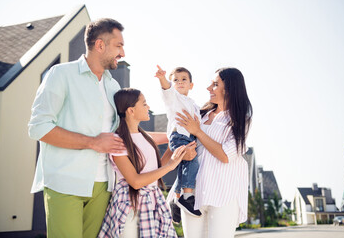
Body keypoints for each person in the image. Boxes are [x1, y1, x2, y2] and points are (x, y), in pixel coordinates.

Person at [28, 18, 126, 238]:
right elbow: (38, 128)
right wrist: (92, 142)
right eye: (119, 46)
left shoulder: (114, 85)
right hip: (64, 182)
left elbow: (122, 133)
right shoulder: (60, 74)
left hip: (104, 186)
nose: (123, 53)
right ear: (100, 45)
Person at [175, 67, 253, 237]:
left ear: (230, 89)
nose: (209, 88)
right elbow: (175, 136)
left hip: (224, 194)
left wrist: (198, 132)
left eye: (215, 84)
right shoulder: (200, 114)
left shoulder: (241, 120)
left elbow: (226, 155)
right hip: (192, 194)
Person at [98, 88, 185, 238]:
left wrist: (176, 148)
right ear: (131, 111)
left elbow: (156, 170)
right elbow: (136, 182)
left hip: (152, 201)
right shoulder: (118, 142)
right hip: (129, 205)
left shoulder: (146, 137)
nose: (148, 107)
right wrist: (171, 165)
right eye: (144, 104)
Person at [155, 65, 201, 222]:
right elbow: (167, 91)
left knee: (184, 167)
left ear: (191, 85)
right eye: (176, 80)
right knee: (191, 162)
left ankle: (176, 199)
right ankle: (187, 196)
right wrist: (163, 79)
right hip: (179, 136)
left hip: (190, 137)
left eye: (184, 80)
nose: (180, 82)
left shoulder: (194, 104)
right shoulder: (173, 98)